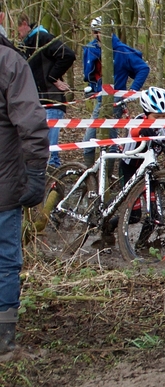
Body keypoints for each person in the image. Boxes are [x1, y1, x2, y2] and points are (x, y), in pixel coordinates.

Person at [0, 35, 49, 356]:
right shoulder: (9, 61)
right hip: (4, 185)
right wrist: (35, 172)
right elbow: (31, 121)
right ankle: (4, 340)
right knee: (5, 261)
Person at [99, 87, 165, 246]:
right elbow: (135, 131)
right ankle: (108, 226)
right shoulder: (137, 121)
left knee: (155, 214)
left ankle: (141, 245)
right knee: (134, 215)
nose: (161, 120)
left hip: (148, 171)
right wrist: (144, 129)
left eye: (164, 116)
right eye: (157, 116)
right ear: (146, 113)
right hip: (129, 167)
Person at [82, 16, 150, 173]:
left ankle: (106, 180)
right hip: (99, 98)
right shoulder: (90, 49)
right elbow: (91, 73)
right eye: (94, 32)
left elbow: (143, 68)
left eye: (99, 32)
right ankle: (89, 177)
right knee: (89, 140)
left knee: (108, 139)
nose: (96, 35)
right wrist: (91, 87)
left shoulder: (121, 51)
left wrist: (133, 90)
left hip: (114, 99)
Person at [17, 13, 76, 169]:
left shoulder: (42, 38)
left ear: (24, 24)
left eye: (17, 30)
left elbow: (68, 55)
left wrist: (52, 77)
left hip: (51, 100)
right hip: (36, 102)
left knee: (51, 151)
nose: (16, 34)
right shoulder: (25, 44)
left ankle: (55, 180)